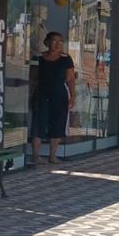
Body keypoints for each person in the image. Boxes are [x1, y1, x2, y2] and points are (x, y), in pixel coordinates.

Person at [30, 31, 77, 165]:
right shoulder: (38, 57)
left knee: (58, 123)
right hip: (41, 93)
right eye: (55, 41)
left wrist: (73, 96)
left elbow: (70, 79)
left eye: (61, 42)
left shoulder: (65, 59)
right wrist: (29, 95)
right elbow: (33, 78)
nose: (58, 44)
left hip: (59, 94)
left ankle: (52, 155)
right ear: (47, 42)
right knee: (38, 123)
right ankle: (36, 155)